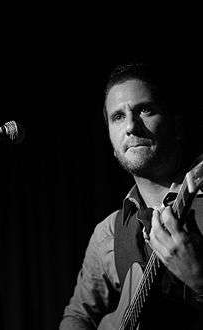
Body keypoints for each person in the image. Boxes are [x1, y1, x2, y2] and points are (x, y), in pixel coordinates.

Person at [59, 62, 203, 329]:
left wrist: (199, 277)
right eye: (117, 117)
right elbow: (77, 317)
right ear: (113, 147)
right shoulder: (108, 234)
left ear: (178, 127)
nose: (131, 126)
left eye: (144, 110)